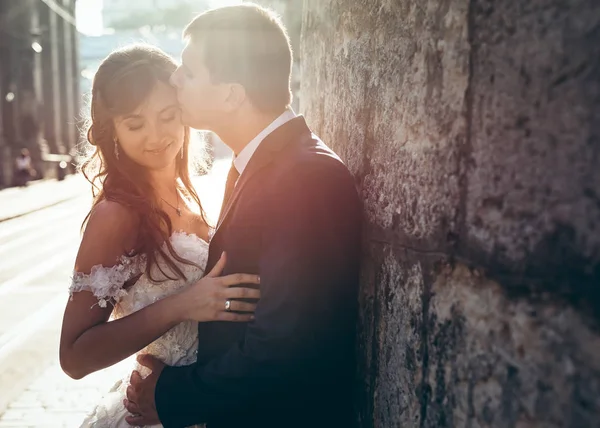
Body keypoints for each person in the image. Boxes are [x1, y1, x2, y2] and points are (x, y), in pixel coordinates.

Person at [124, 4, 362, 428]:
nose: (175, 79)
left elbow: (283, 344)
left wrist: (171, 395)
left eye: (189, 71)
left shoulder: (305, 176)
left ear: (232, 94)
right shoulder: (263, 164)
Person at [59, 44, 260, 428]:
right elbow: (74, 357)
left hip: (200, 402)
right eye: (135, 124)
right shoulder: (116, 215)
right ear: (111, 129)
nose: (156, 136)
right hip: (156, 414)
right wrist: (182, 305)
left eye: (168, 116)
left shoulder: (192, 194)